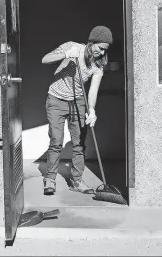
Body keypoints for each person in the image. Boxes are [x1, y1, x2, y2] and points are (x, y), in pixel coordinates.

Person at [41, 26, 113, 196]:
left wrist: (92, 109)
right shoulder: (72, 47)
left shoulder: (98, 65)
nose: (102, 53)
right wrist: (66, 55)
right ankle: (50, 179)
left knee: (79, 143)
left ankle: (77, 181)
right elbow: (45, 59)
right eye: (100, 48)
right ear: (92, 42)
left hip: (79, 101)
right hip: (56, 99)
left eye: (105, 50)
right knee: (56, 140)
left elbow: (93, 90)